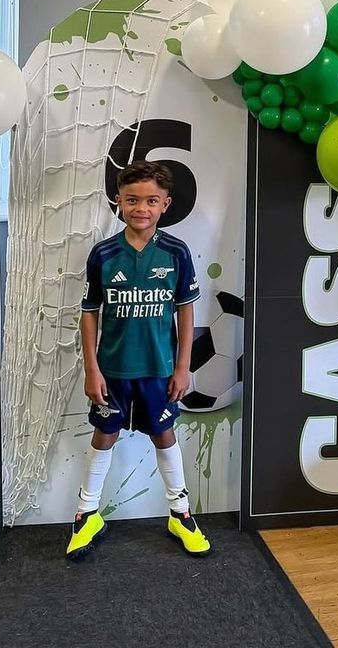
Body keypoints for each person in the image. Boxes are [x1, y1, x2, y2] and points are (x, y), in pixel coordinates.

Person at [66, 160, 210, 559]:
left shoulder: (176, 253)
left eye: (150, 200)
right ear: (118, 201)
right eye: (132, 200)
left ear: (165, 204)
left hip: (159, 370)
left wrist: (183, 367)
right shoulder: (104, 254)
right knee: (104, 436)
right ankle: (86, 514)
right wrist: (91, 368)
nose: (140, 208)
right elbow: (90, 312)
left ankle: (180, 513)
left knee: (164, 435)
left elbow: (185, 311)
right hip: (111, 371)